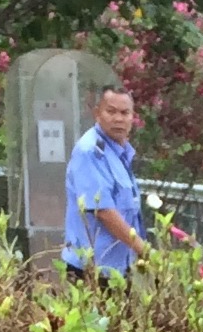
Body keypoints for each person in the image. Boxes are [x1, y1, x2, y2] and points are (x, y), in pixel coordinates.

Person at [62, 84, 146, 281]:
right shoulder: (90, 151)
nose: (118, 119)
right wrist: (144, 250)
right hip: (91, 270)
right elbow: (104, 211)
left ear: (132, 117)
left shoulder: (121, 152)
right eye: (111, 111)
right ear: (97, 113)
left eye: (125, 113)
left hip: (118, 268)